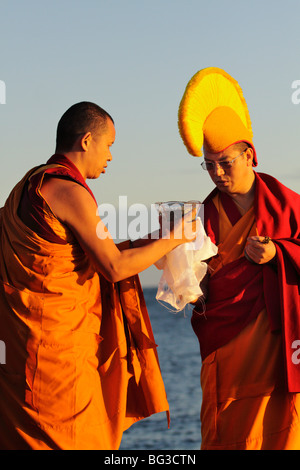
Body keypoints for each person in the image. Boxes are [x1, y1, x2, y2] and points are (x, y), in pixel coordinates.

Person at [0, 101, 197, 450]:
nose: (110, 157)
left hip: (20, 349)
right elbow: (113, 267)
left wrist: (152, 242)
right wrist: (177, 237)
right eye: (109, 146)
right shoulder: (67, 191)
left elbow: (84, 254)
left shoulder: (25, 187)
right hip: (58, 358)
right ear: (88, 140)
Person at [178, 67, 300, 450]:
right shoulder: (202, 216)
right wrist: (189, 287)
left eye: (225, 162)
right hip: (227, 353)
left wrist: (278, 252)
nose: (216, 173)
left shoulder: (287, 206)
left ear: (249, 155)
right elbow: (193, 284)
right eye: (208, 164)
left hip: (276, 355)